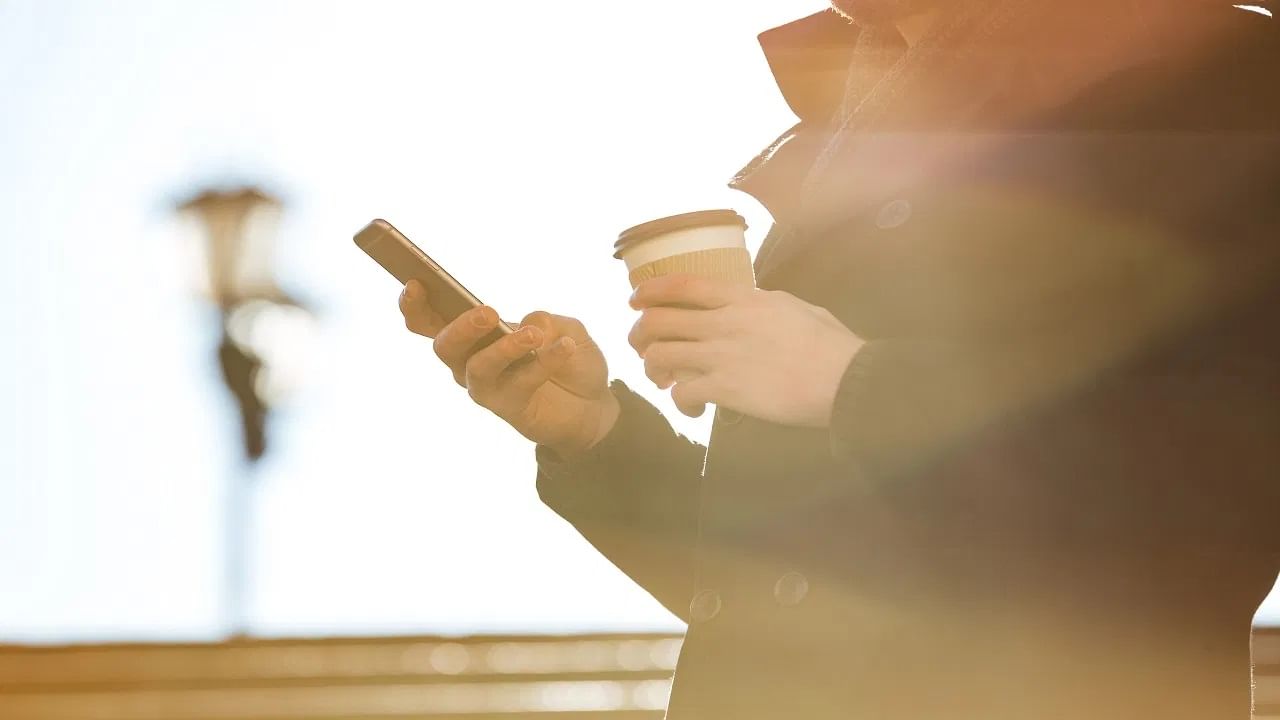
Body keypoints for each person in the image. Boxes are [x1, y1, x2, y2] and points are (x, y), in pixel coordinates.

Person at [398, 2, 1280, 718]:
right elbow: (793, 597)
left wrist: (851, 383)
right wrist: (597, 436)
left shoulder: (1208, 75)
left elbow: (1212, 514)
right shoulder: (853, 124)